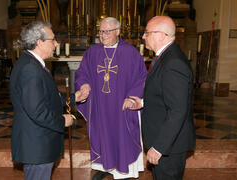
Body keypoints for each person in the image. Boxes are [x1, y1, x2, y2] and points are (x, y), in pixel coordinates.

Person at [75, 17, 147, 180]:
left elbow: (142, 77)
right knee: (102, 134)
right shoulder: (92, 52)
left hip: (122, 105)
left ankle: (125, 169)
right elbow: (82, 73)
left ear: (118, 32)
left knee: (122, 135)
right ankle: (104, 166)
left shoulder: (130, 53)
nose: (103, 35)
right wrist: (84, 84)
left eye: (107, 31)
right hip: (100, 105)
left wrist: (131, 97)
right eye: (101, 31)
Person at [125, 16, 196, 180]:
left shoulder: (173, 63)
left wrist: (158, 148)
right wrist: (143, 103)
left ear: (161, 35)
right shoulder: (164, 56)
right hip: (165, 141)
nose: (143, 36)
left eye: (147, 32)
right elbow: (165, 95)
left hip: (169, 146)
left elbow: (178, 110)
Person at [10, 21, 77, 180]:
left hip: (38, 140)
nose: (56, 43)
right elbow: (37, 110)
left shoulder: (31, 63)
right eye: (52, 39)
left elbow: (46, 98)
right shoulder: (30, 69)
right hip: (37, 143)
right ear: (39, 42)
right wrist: (62, 121)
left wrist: (74, 98)